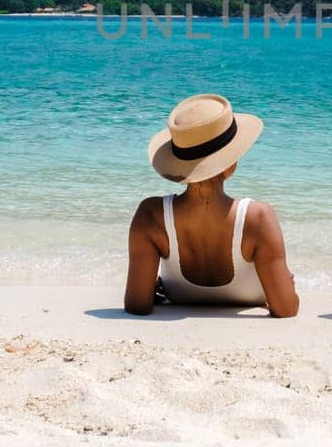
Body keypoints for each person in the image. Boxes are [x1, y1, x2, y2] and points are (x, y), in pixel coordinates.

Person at [125, 93, 299, 317]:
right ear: (230, 164)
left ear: (179, 164)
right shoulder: (258, 218)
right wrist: (287, 283)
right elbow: (286, 309)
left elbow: (137, 304)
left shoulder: (151, 216)